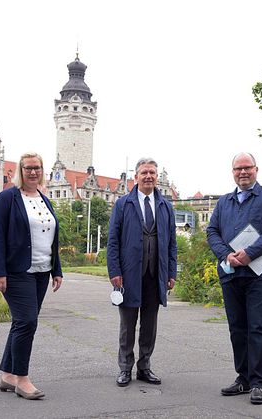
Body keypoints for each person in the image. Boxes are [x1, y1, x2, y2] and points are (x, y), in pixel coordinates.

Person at [206, 152, 262, 405]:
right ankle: (243, 378)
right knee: (237, 328)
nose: (243, 172)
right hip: (231, 273)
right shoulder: (224, 202)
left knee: (259, 328)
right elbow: (212, 231)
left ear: (256, 169)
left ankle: (259, 383)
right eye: (238, 169)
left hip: (259, 274)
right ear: (233, 172)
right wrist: (226, 254)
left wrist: (250, 254)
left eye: (247, 168)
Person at [0, 152, 63, 400]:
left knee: (21, 322)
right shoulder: (6, 198)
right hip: (16, 271)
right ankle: (22, 379)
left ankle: (8, 376)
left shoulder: (44, 199)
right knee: (27, 322)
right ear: (20, 171)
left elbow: (53, 237)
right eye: (28, 168)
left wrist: (57, 269)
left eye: (37, 168)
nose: (33, 172)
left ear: (42, 170)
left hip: (42, 271)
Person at [107, 157, 177, 387]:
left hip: (155, 274)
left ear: (157, 177)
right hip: (128, 273)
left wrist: (171, 272)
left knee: (150, 324)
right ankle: (125, 368)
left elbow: (171, 243)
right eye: (144, 172)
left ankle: (144, 367)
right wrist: (114, 271)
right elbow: (113, 241)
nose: (149, 176)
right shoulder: (123, 204)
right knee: (128, 325)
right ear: (135, 176)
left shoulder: (165, 206)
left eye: (152, 173)